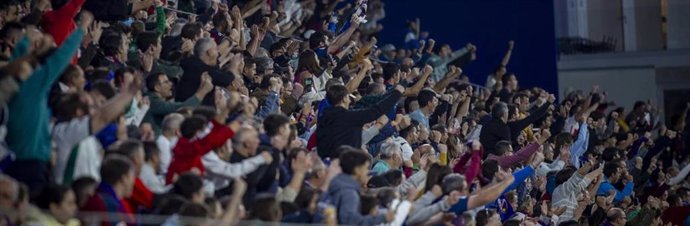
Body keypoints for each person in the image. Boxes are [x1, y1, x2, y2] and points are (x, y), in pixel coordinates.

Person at [317, 84, 404, 158]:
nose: (349, 100)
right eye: (348, 97)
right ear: (344, 99)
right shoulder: (349, 117)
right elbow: (375, 111)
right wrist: (396, 94)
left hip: (325, 161)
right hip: (342, 164)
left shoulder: (323, 117)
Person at [327, 147, 395, 225]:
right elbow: (350, 222)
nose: (367, 173)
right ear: (357, 170)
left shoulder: (338, 183)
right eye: (365, 168)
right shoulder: (349, 193)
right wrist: (383, 217)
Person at [143, 71, 212, 134]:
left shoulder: (155, 99)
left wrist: (202, 87)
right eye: (166, 82)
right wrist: (203, 91)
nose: (171, 84)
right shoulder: (151, 100)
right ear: (157, 87)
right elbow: (183, 108)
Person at [81, 155, 136, 226]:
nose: (134, 182)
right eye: (132, 177)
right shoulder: (100, 204)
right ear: (124, 178)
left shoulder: (114, 202)